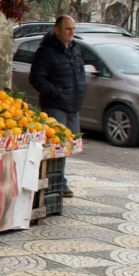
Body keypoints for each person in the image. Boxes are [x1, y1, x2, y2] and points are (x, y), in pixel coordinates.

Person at [29, 15, 86, 198]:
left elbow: (79, 73)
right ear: (57, 30)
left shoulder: (75, 50)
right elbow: (37, 78)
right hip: (55, 106)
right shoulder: (46, 51)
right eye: (68, 29)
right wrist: (56, 93)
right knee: (55, 144)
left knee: (67, 146)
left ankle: (59, 179)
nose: (71, 33)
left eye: (73, 29)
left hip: (72, 106)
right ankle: (56, 181)